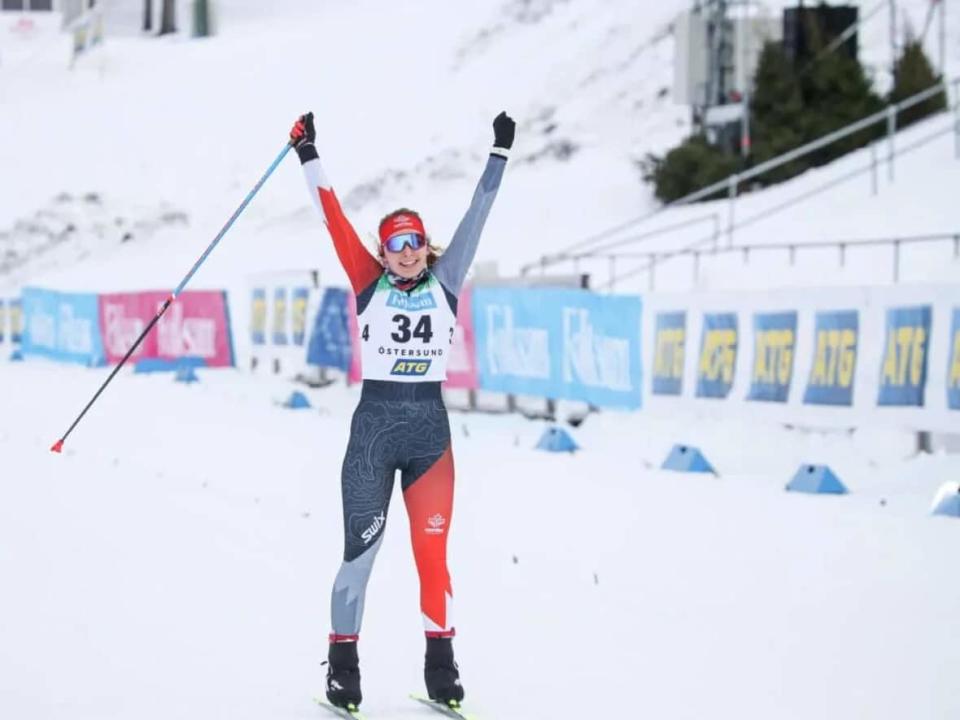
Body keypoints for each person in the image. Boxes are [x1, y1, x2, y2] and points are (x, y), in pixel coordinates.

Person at [288, 109, 514, 711]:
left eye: (416, 241)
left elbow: (478, 215)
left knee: (433, 560)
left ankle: (443, 674)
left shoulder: (447, 281)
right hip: (373, 434)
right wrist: (308, 153)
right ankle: (343, 672)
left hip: (429, 437)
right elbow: (333, 218)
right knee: (359, 557)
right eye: (397, 243)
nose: (409, 251)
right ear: (383, 254)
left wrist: (499, 154)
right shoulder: (367, 282)